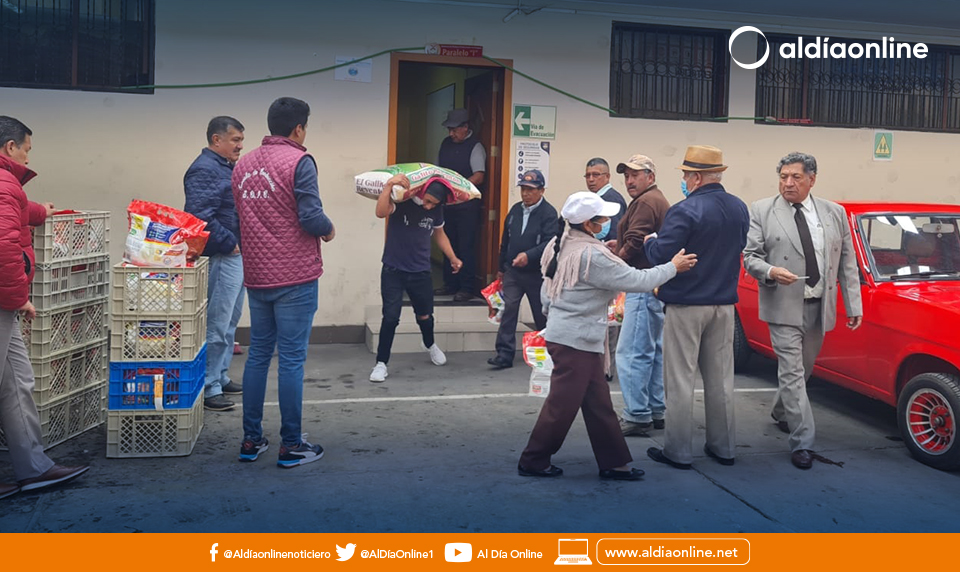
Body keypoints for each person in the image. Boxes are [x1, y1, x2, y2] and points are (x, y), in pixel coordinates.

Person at [517, 191, 697, 481]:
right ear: (589, 224)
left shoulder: (560, 243)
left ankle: (614, 463)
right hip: (577, 341)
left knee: (598, 404)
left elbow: (548, 289)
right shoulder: (592, 256)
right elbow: (638, 279)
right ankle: (533, 459)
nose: (605, 224)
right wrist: (672, 267)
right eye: (601, 220)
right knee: (561, 406)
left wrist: (608, 250)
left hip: (570, 336)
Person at [232, 98, 335, 469]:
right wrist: (329, 229)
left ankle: (251, 439)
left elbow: (239, 217)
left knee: (258, 355)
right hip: (295, 276)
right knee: (291, 360)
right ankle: (291, 444)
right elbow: (311, 217)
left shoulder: (243, 164)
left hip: (257, 275)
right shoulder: (299, 161)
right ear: (298, 129)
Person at [742, 152, 863, 470]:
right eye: (783, 177)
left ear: (812, 179)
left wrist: (853, 304)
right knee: (793, 372)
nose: (788, 183)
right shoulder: (763, 210)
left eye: (795, 177)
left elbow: (846, 261)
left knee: (802, 370)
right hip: (782, 304)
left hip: (818, 305)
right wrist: (770, 271)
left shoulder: (833, 212)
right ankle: (803, 442)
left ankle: (782, 411)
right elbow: (750, 256)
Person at [644, 145, 749, 470]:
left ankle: (678, 451)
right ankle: (724, 447)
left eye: (687, 175)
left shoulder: (684, 210)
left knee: (680, 379)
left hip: (687, 304)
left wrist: (650, 242)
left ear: (697, 178)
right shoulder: (739, 208)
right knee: (721, 381)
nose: (685, 180)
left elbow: (663, 255)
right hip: (724, 305)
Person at [0, 116, 89, 499]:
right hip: (3, 298)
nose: (27, 156)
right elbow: (3, 245)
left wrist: (43, 211)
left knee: (17, 382)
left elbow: (17, 212)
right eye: (26, 149)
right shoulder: (4, 183)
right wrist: (18, 297)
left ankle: (34, 468)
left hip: (5, 301)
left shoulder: (7, 187)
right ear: (10, 147)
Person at [370, 175, 463, 383]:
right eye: (428, 201)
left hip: (420, 270)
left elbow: (439, 234)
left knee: (425, 316)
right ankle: (381, 363)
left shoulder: (436, 209)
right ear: (422, 192)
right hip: (393, 269)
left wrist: (453, 258)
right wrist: (389, 186)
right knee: (390, 317)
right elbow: (380, 212)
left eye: (434, 204)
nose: (429, 207)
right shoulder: (402, 200)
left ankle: (429, 344)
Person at [184, 116, 246, 412]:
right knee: (217, 324)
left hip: (233, 254)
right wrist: (229, 243)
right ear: (216, 139)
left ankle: (220, 376)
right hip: (222, 255)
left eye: (241, 140)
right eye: (235, 140)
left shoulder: (222, 167)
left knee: (229, 321)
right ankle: (210, 387)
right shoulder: (204, 169)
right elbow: (199, 216)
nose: (240, 146)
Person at [607, 155, 671, 436]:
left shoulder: (646, 202)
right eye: (626, 176)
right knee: (652, 351)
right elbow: (634, 239)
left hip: (642, 285)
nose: (629, 181)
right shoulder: (653, 199)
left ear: (650, 176)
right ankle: (655, 410)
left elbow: (635, 241)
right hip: (653, 285)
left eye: (635, 175)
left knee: (632, 352)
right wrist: (619, 243)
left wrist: (615, 264)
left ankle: (636, 414)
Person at [487, 169, 558, 370]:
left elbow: (550, 243)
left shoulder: (549, 213)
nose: (526, 194)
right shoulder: (515, 210)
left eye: (531, 189)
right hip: (513, 271)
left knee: (541, 313)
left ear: (541, 190)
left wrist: (529, 255)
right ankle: (504, 354)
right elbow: (505, 240)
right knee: (508, 309)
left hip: (537, 273)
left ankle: (549, 352)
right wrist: (501, 267)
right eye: (523, 189)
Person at [435, 108, 485, 301]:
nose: (451, 133)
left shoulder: (475, 147)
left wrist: (458, 188)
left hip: (466, 207)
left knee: (465, 247)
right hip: (446, 205)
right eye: (449, 129)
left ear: (465, 127)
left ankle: (466, 287)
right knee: (448, 244)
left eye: (454, 129)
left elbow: (479, 176)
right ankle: (450, 284)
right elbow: (437, 170)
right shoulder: (445, 144)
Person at [584, 158, 626, 241]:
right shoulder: (598, 198)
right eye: (588, 175)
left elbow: (615, 234)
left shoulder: (612, 199)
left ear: (607, 176)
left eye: (596, 175)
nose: (591, 179)